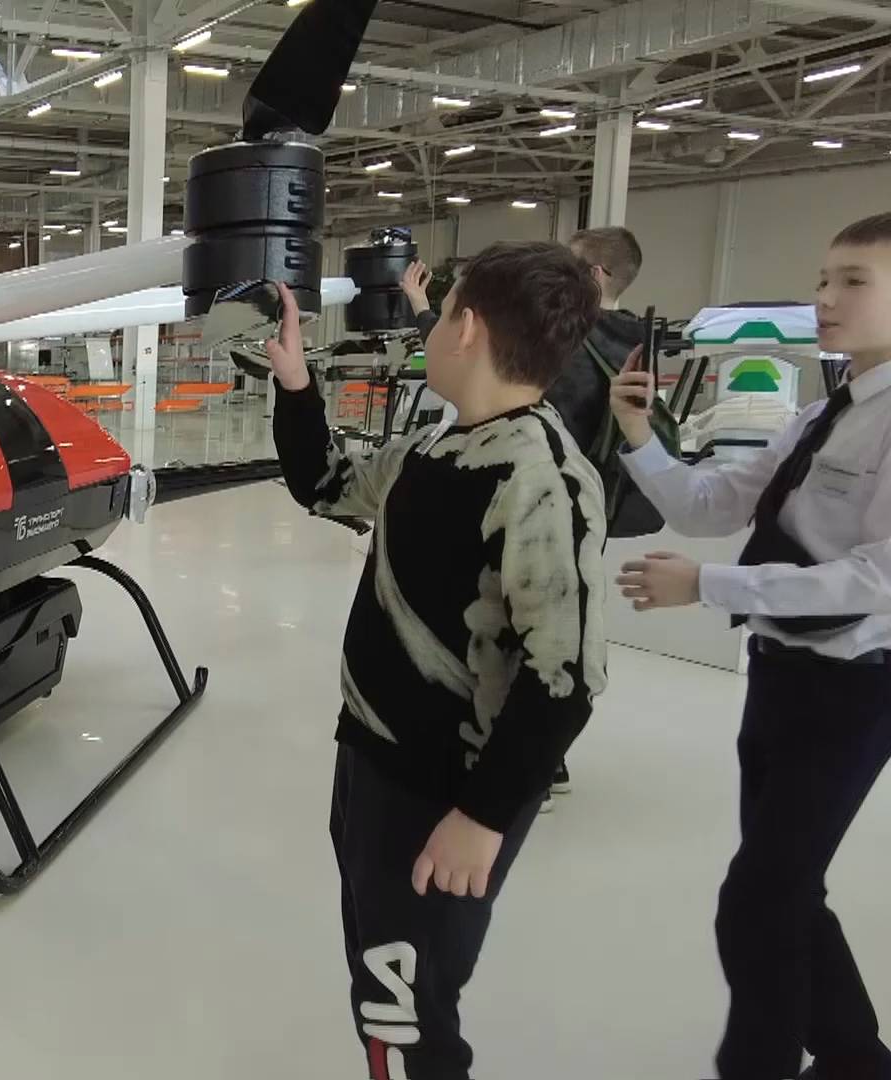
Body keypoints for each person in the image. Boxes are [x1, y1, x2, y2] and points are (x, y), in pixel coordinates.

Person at [268, 240, 609, 1080]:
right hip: (374, 761)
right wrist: (296, 384)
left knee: (407, 1010)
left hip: (445, 795)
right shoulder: (436, 448)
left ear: (467, 327)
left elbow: (565, 679)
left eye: (443, 308)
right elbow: (325, 483)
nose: (432, 324)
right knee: (379, 981)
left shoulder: (540, 478)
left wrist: (483, 817)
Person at [612, 211, 891, 1080]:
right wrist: (639, 435)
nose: (825, 298)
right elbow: (712, 505)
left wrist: (708, 586)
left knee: (757, 902)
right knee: (787, 889)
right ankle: (855, 1059)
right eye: (823, 279)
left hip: (854, 690)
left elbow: (875, 581)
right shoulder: (818, 417)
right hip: (777, 680)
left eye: (854, 281)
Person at [402, 227, 650, 810]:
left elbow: (492, 379)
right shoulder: (634, 343)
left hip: (527, 494)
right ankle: (544, 760)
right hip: (589, 501)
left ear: (593, 277)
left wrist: (424, 310)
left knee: (510, 632)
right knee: (548, 623)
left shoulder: (560, 339)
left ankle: (511, 769)